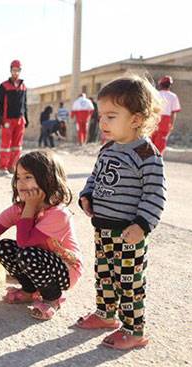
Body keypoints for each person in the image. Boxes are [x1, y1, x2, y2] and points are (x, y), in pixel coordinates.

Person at [76, 76, 165, 350]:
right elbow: (96, 178)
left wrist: (142, 224)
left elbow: (155, 195)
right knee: (104, 276)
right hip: (103, 229)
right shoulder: (107, 148)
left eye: (111, 116)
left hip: (129, 233)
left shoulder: (146, 154)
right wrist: (86, 195)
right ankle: (105, 315)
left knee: (129, 284)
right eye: (101, 116)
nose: (102, 123)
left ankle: (134, 330)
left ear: (136, 119)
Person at [0, 150, 82, 320]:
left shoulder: (58, 214)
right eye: (18, 177)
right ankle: (29, 290)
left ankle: (53, 298)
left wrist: (30, 208)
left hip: (65, 270)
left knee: (27, 253)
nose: (21, 183)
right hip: (37, 262)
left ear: (48, 178)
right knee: (4, 247)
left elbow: (25, 243)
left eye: (28, 177)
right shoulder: (18, 209)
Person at [0, 59, 29, 176]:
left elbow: (25, 104)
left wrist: (26, 118)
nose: (16, 73)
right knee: (6, 145)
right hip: (7, 120)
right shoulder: (4, 86)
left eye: (18, 70)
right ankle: (2, 167)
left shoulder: (23, 86)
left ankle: (12, 167)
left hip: (20, 120)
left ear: (20, 71)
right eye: (14, 70)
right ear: (11, 70)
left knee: (17, 146)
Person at [151, 75, 181, 154]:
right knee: (160, 143)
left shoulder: (155, 94)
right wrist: (171, 124)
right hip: (165, 120)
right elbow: (173, 112)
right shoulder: (173, 96)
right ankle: (157, 160)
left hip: (154, 118)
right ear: (170, 85)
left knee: (150, 139)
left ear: (160, 84)